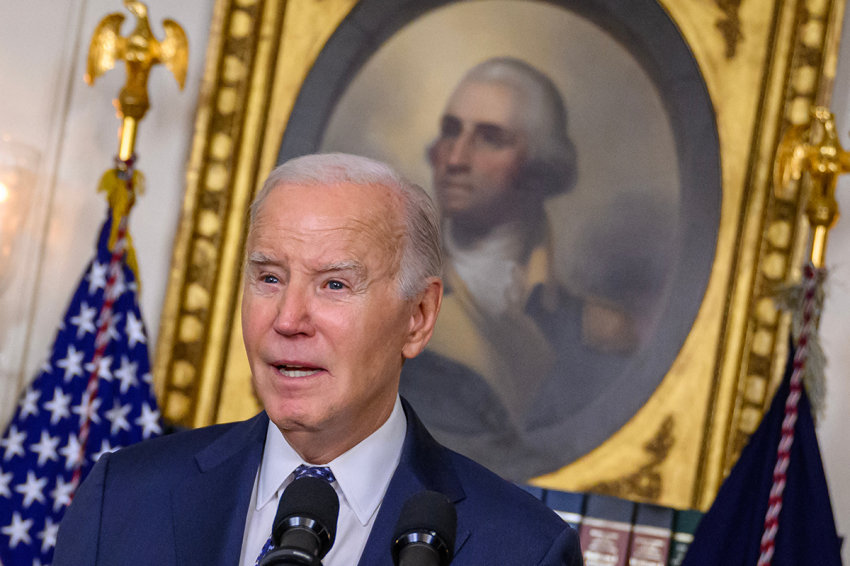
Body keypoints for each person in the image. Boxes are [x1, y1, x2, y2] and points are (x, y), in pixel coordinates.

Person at [53, 153, 582, 566]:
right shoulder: (122, 497)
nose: (288, 319)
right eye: (269, 277)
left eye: (334, 284)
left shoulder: (523, 551)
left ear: (418, 316)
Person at [400, 57, 637, 480]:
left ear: (539, 169)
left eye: (490, 139)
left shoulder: (599, 334)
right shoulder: (390, 304)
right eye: (451, 131)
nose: (454, 157)